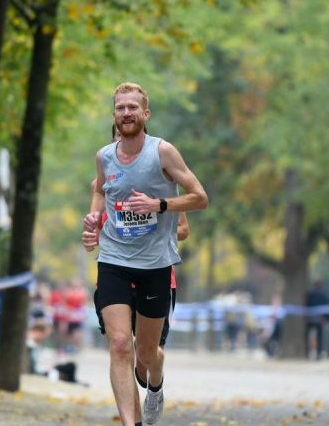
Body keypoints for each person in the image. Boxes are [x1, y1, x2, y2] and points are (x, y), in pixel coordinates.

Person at [82, 82, 208, 426]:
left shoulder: (163, 152)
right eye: (120, 108)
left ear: (145, 114)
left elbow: (200, 197)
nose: (126, 113)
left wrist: (160, 205)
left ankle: (155, 386)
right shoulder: (104, 157)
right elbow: (100, 191)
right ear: (114, 115)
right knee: (121, 343)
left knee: (146, 354)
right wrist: (93, 222)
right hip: (114, 261)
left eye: (132, 108)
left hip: (155, 265)